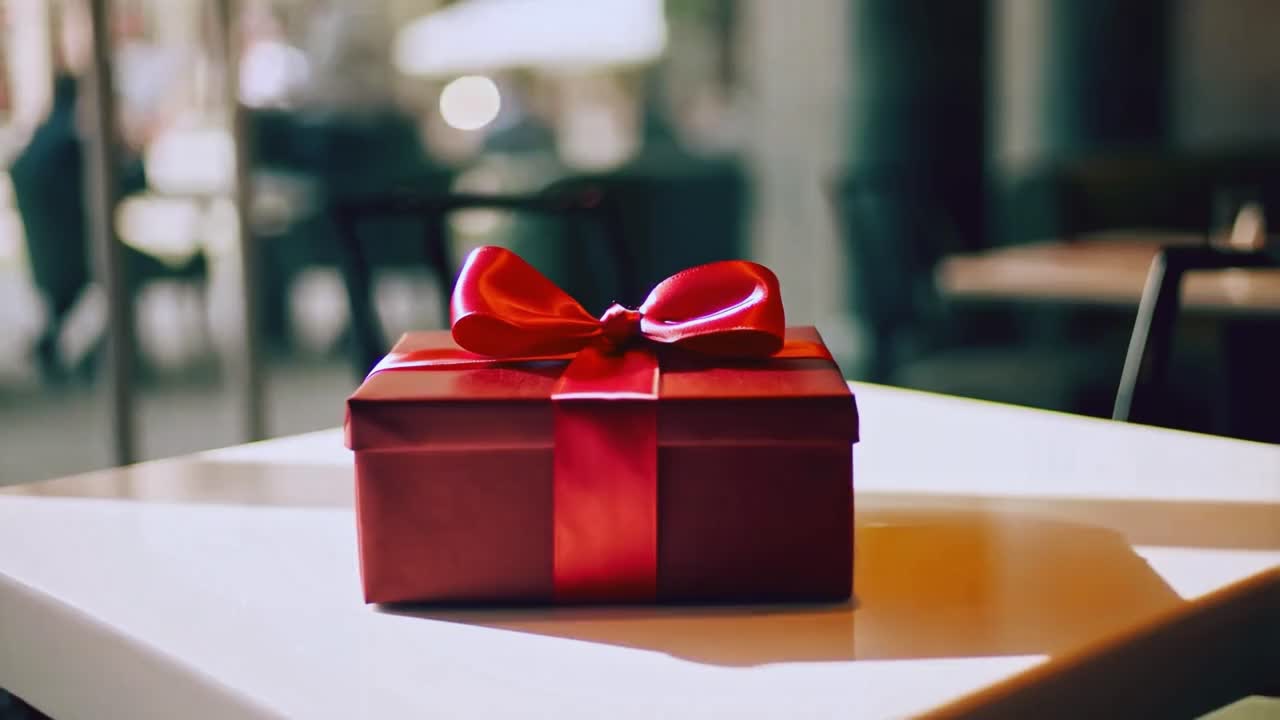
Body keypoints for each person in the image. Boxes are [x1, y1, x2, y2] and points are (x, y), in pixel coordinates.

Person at [9, 73, 148, 380]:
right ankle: (112, 353)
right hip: (82, 255)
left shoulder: (39, 142)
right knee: (128, 266)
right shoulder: (74, 146)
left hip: (47, 258)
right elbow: (127, 183)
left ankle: (63, 344)